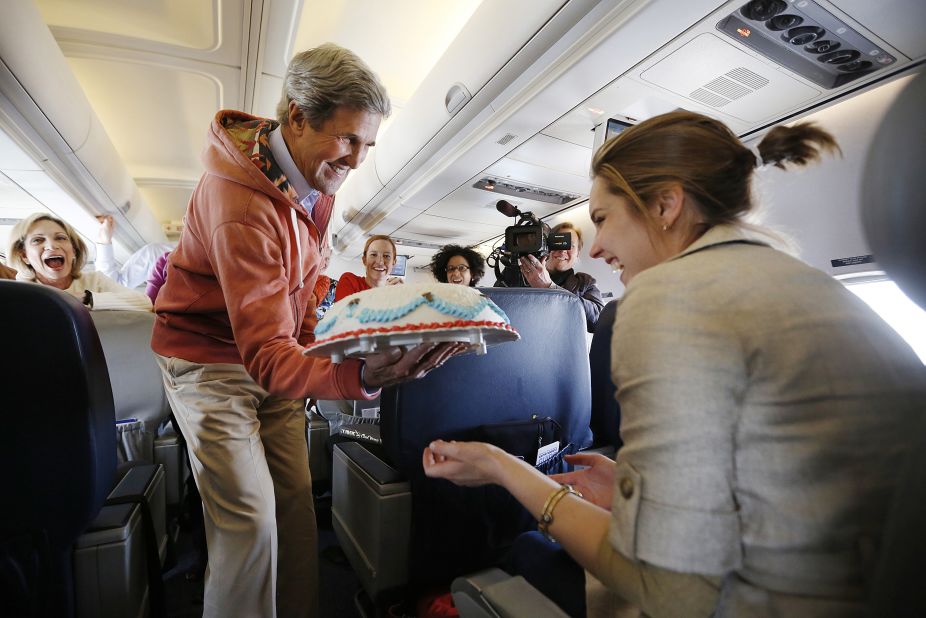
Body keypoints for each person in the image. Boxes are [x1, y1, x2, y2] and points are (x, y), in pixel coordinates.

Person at [422, 110, 926, 616]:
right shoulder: (800, 280)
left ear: (666, 205)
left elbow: (665, 589)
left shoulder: (667, 296)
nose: (596, 246)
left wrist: (504, 469)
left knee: (526, 549)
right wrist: (632, 490)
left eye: (601, 219)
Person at [150, 44, 461, 618]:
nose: (357, 158)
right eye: (348, 139)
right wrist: (358, 373)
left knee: (294, 507)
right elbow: (264, 352)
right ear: (296, 115)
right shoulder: (240, 202)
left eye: (367, 144)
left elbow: (307, 278)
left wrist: (341, 330)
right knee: (249, 520)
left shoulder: (315, 179)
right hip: (209, 364)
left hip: (273, 355)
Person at [6, 212, 152, 311]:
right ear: (24, 256)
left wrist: (86, 298)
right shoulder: (19, 293)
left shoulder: (95, 280)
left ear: (74, 250)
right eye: (38, 240)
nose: (52, 245)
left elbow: (145, 303)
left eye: (60, 238)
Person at [503, 222, 604, 332]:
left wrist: (550, 288)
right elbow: (495, 310)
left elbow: (600, 320)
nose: (562, 250)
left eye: (570, 245)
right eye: (558, 242)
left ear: (578, 253)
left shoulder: (585, 283)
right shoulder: (520, 274)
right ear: (546, 246)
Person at [95, 214, 175, 289]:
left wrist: (103, 242)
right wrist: (104, 241)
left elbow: (112, 287)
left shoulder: (156, 254)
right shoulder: (157, 254)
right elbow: (113, 286)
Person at [334, 233, 402, 301]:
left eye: (386, 256)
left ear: (394, 262)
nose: (380, 262)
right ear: (364, 260)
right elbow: (344, 311)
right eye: (374, 255)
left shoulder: (396, 294)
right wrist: (383, 295)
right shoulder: (350, 281)